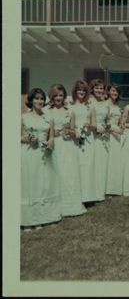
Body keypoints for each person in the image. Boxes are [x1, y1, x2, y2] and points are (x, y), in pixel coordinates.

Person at [21, 88, 61, 231]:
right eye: (37, 98)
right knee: (31, 184)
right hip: (30, 154)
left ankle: (45, 218)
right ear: (31, 100)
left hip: (45, 155)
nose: (40, 101)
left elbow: (51, 136)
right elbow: (18, 137)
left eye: (42, 99)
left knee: (45, 185)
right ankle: (29, 220)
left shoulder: (48, 117)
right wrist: (27, 139)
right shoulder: (24, 117)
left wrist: (50, 142)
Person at [47, 84, 86, 217]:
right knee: (57, 172)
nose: (59, 98)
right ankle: (57, 205)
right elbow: (43, 129)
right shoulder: (47, 111)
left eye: (61, 95)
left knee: (70, 173)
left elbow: (74, 130)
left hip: (68, 145)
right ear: (52, 96)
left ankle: (72, 205)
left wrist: (69, 131)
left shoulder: (70, 111)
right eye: (56, 95)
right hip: (55, 145)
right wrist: (53, 133)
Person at [70, 80, 102, 205]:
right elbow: (69, 125)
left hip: (88, 140)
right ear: (75, 91)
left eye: (84, 90)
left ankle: (88, 197)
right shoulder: (70, 106)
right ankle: (77, 195)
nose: (81, 92)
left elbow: (95, 126)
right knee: (76, 165)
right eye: (79, 90)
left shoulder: (91, 107)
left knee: (88, 166)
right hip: (75, 139)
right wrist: (75, 132)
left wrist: (89, 126)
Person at [89, 78, 109, 199]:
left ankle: (101, 191)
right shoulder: (90, 102)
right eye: (97, 88)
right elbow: (88, 119)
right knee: (95, 162)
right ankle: (94, 192)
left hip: (104, 136)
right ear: (92, 89)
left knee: (103, 163)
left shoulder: (105, 103)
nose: (99, 90)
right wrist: (96, 129)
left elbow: (107, 119)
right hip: (93, 135)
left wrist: (107, 127)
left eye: (101, 88)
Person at [105, 83, 124, 196]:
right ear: (109, 92)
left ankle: (114, 188)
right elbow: (105, 122)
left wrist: (121, 126)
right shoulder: (105, 105)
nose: (114, 93)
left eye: (116, 91)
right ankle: (107, 188)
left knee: (115, 161)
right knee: (108, 161)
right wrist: (115, 129)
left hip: (116, 135)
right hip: (109, 134)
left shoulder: (117, 106)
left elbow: (119, 121)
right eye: (112, 91)